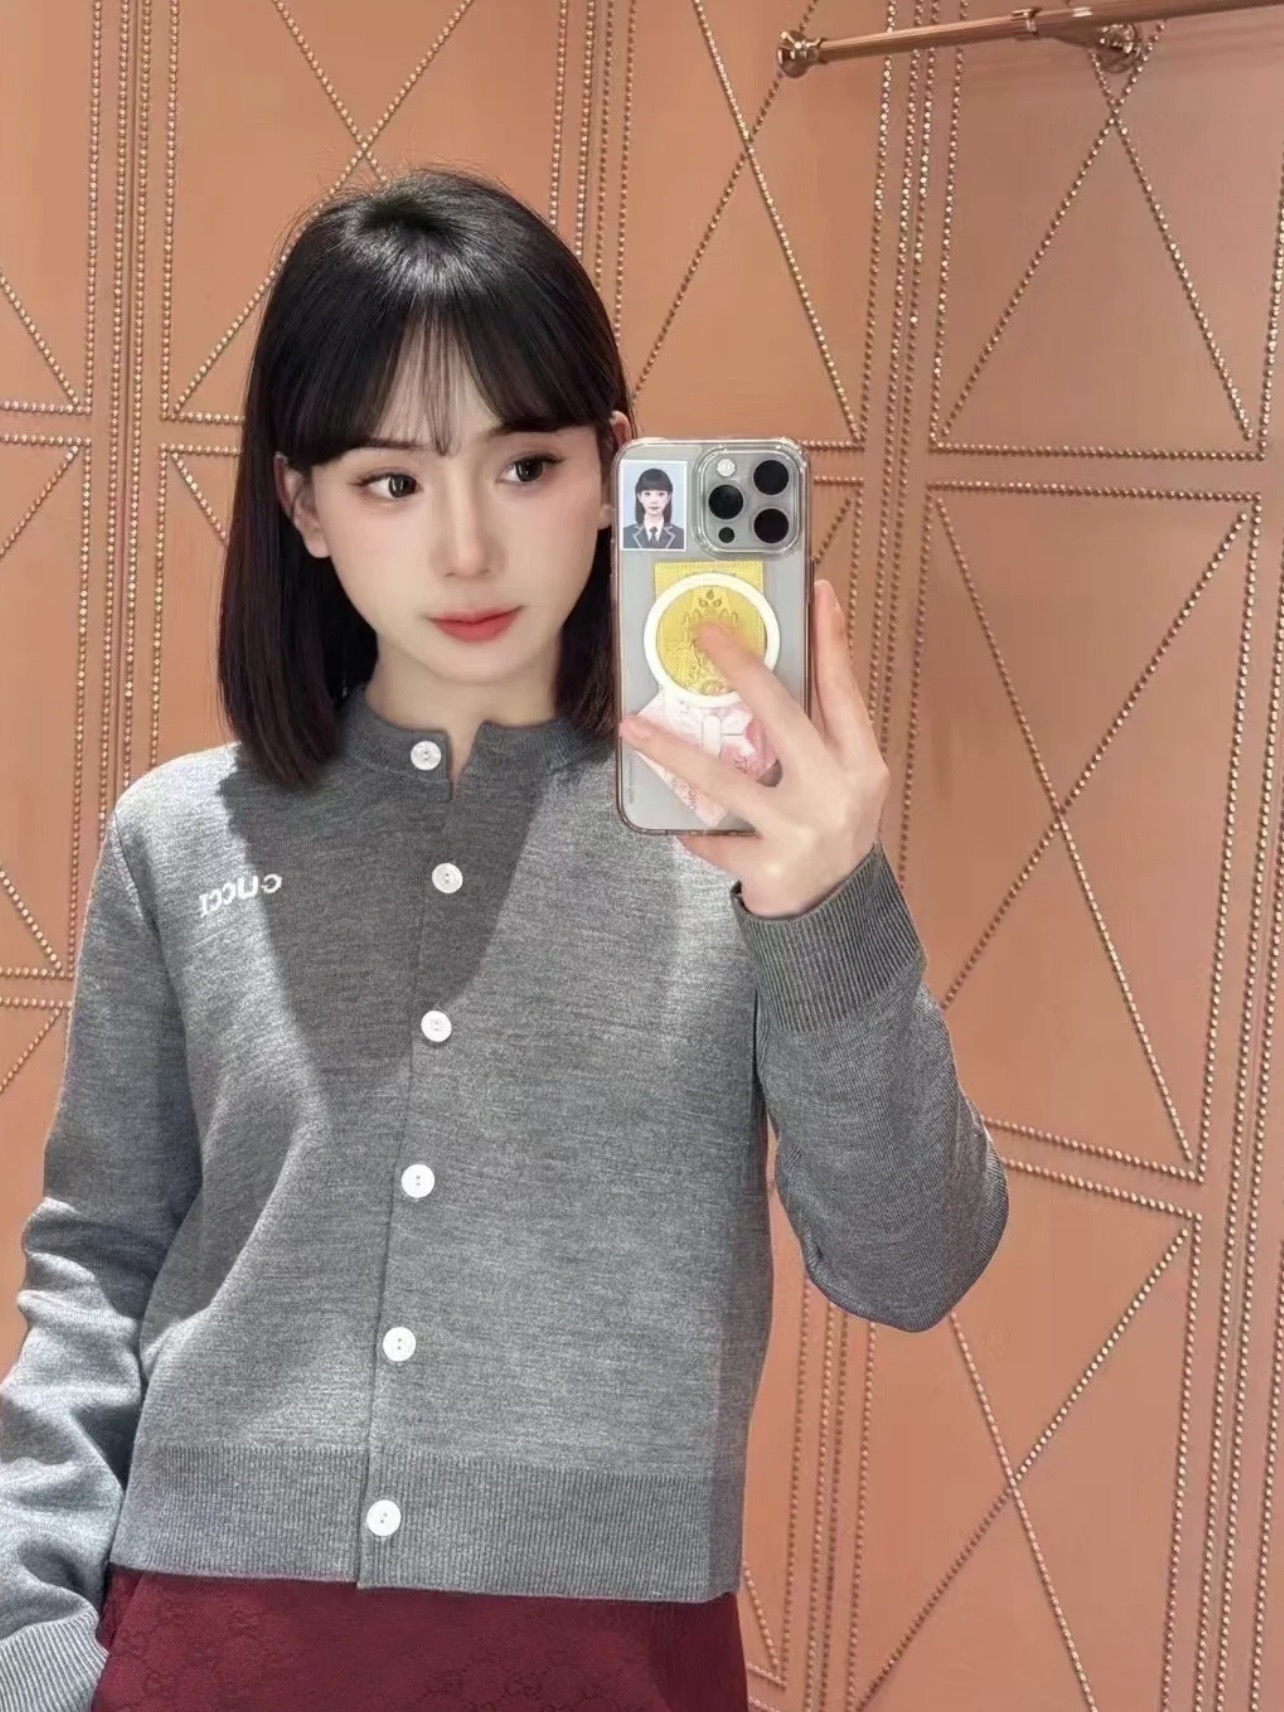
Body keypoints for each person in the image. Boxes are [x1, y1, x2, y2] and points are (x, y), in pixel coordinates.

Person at [0, 167, 1009, 1712]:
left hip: (610, 1658)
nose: (467, 549)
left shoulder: (747, 842)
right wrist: (29, 1645)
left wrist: (829, 911)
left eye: (524, 465)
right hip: (206, 1643)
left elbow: (912, 1262)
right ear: (303, 506)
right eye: (391, 482)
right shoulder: (181, 836)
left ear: (613, 473)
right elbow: (99, 1263)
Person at [621, 467, 684, 549]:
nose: (654, 500)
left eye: (661, 494)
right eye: (647, 494)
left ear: (668, 497)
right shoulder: (624, 534)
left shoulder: (681, 536)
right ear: (639, 496)